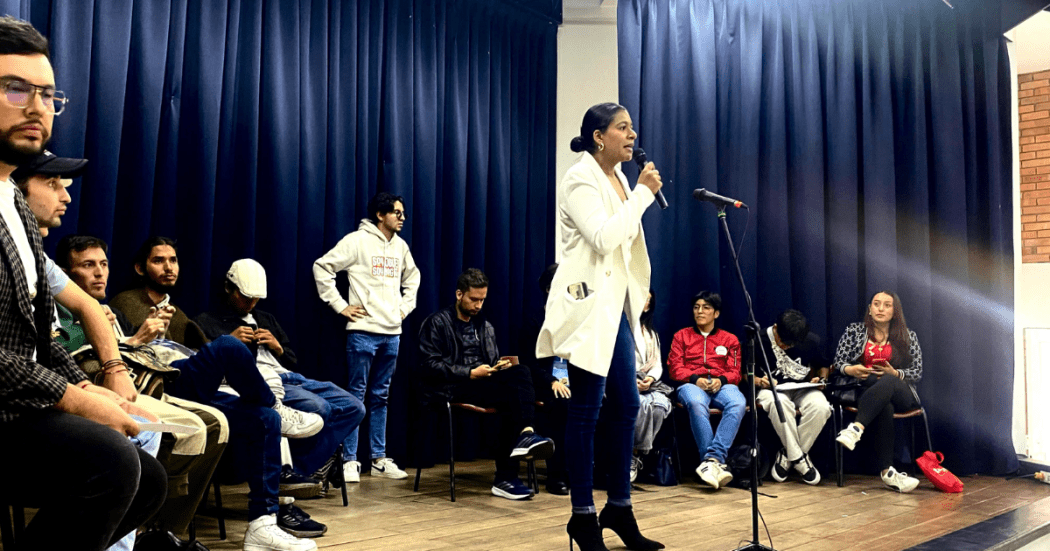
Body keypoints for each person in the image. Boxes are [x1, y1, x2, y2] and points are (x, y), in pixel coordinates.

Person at [0, 16, 166, 549]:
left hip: (17, 404)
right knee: (111, 462)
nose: (37, 107)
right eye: (15, 88)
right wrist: (73, 397)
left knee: (147, 478)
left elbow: (35, 337)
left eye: (48, 94)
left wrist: (88, 384)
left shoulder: (16, 205)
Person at [17, 152, 230, 540]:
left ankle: (158, 534)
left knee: (152, 474)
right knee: (122, 459)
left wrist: (104, 377)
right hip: (17, 406)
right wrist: (82, 393)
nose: (66, 196)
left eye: (103, 264)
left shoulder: (33, 251)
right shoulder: (123, 299)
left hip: (63, 386)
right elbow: (27, 351)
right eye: (52, 184)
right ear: (15, 188)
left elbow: (52, 338)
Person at [107, 237, 324, 549]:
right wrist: (135, 339)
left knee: (265, 419)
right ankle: (273, 403)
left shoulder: (167, 312)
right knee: (229, 346)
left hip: (184, 375)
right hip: (159, 383)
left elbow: (192, 350)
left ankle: (262, 524)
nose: (99, 272)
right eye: (87, 265)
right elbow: (83, 356)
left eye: (173, 260)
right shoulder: (100, 310)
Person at [535, 102, 664, 551]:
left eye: (632, 128)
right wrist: (643, 195)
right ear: (598, 136)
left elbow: (625, 246)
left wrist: (636, 192)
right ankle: (583, 516)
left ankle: (620, 508)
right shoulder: (579, 178)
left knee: (627, 405)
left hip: (616, 308)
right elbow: (604, 237)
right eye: (623, 128)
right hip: (589, 308)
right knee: (586, 411)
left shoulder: (621, 179)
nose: (632, 135)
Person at [195, 259, 366, 490]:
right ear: (229, 288)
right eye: (245, 297)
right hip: (262, 382)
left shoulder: (266, 319)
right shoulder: (207, 321)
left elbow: (292, 361)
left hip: (291, 378)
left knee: (354, 407)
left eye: (256, 299)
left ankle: (300, 469)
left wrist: (277, 347)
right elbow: (202, 364)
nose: (251, 304)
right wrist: (227, 342)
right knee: (320, 408)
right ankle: (290, 473)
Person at [419, 268, 555, 500]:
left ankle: (524, 440)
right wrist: (469, 372)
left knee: (519, 375)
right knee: (514, 396)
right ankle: (507, 474)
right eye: (474, 299)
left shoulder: (485, 326)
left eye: (482, 300)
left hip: (481, 383)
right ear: (459, 294)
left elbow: (491, 361)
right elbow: (428, 365)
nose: (478, 305)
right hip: (450, 388)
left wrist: (497, 367)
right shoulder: (437, 322)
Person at [313, 191, 420, 483]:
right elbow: (322, 267)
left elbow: (413, 278)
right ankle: (350, 460)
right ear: (380, 215)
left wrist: (403, 308)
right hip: (362, 332)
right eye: (397, 212)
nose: (402, 217)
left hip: (392, 333)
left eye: (403, 212)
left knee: (381, 396)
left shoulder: (401, 247)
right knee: (355, 395)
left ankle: (378, 458)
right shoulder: (357, 241)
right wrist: (340, 306)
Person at [833, 291, 924, 493]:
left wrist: (896, 373)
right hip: (867, 390)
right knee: (884, 405)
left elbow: (917, 371)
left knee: (889, 380)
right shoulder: (854, 331)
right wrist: (851, 369)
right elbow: (838, 362)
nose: (881, 309)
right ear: (869, 309)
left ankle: (856, 428)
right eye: (876, 304)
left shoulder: (908, 336)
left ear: (895, 311)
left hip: (901, 392)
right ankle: (888, 473)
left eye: (887, 305)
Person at [667, 291, 744, 491]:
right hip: (691, 384)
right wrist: (695, 379)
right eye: (696, 307)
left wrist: (721, 380)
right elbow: (674, 368)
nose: (700, 311)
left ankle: (711, 460)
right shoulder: (681, 336)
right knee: (695, 403)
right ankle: (713, 462)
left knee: (738, 402)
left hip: (721, 385)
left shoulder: (730, 339)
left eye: (706, 308)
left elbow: (736, 372)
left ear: (716, 313)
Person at [754, 309, 832, 485]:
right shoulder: (759, 340)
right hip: (770, 389)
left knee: (821, 407)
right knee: (780, 404)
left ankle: (789, 456)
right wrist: (759, 381)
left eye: (791, 345)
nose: (786, 347)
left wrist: (821, 380)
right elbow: (745, 374)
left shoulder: (811, 340)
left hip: (801, 389)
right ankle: (800, 460)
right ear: (775, 328)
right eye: (783, 343)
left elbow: (823, 365)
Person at [518, 263, 570, 495]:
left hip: (571, 380)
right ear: (549, 289)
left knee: (602, 400)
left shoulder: (574, 321)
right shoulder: (534, 321)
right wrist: (551, 380)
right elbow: (528, 363)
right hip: (544, 383)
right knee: (562, 404)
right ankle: (557, 476)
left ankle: (594, 471)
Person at [631, 291, 673, 482]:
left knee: (659, 406)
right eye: (642, 297)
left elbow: (657, 365)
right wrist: (632, 381)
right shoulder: (620, 328)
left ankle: (637, 452)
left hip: (649, 383)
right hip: (626, 380)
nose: (645, 303)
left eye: (648, 300)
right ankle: (632, 454)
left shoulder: (651, 333)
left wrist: (650, 378)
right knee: (639, 405)